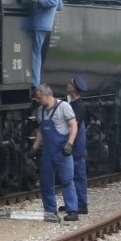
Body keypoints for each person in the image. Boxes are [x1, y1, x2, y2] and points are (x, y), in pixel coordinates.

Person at [31, 84, 79, 222]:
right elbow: (41, 130)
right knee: (46, 182)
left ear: (48, 95)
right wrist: (34, 147)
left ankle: (72, 210)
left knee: (67, 180)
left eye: (39, 98)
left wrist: (70, 143)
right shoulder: (41, 110)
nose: (37, 100)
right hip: (48, 151)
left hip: (62, 150)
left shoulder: (64, 107)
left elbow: (74, 125)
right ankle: (50, 210)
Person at [30, 0, 63, 89]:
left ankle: (34, 82)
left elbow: (53, 2)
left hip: (40, 23)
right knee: (37, 52)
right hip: (46, 24)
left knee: (35, 53)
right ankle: (35, 81)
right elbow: (59, 6)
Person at [64, 75, 90, 215]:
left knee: (77, 173)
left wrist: (69, 142)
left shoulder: (78, 107)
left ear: (73, 88)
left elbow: (74, 125)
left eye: (69, 83)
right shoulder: (74, 105)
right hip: (76, 142)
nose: (67, 85)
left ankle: (81, 203)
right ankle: (75, 203)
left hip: (76, 143)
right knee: (72, 173)